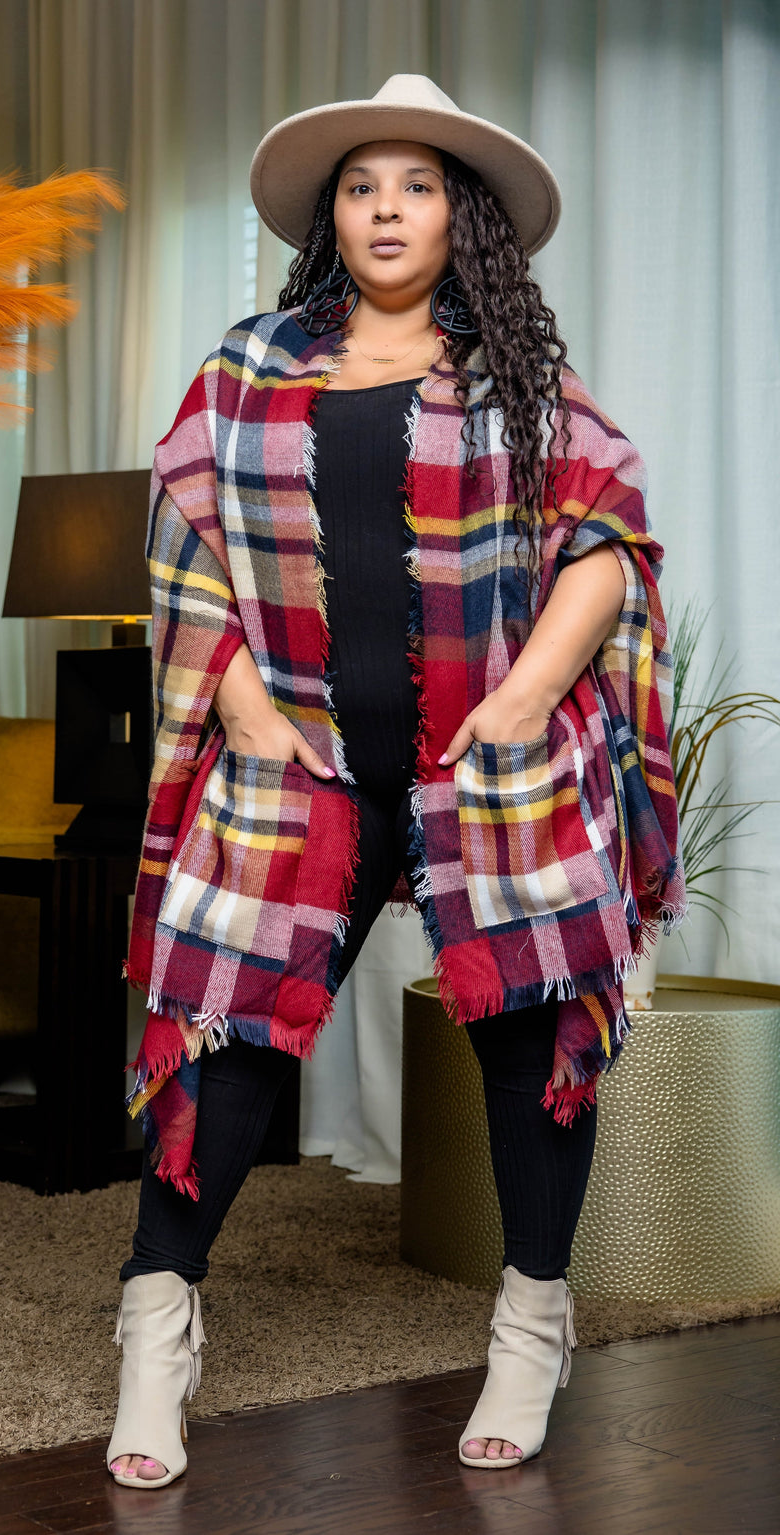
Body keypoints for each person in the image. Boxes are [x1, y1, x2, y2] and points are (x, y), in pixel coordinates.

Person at [107, 75, 685, 1489]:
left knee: (532, 1054)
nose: (385, 209)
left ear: (459, 217)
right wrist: (245, 711)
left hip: (486, 772)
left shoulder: (519, 384)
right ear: (332, 216)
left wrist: (524, 698)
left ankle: (531, 1332)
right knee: (227, 1043)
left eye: (416, 186)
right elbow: (181, 538)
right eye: (361, 186)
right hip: (302, 768)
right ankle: (155, 1331)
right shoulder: (249, 368)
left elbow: (608, 541)